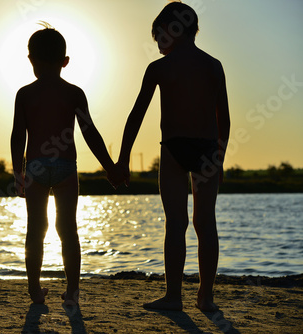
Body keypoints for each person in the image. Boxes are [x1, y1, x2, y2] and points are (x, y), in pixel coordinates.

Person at [115, 2, 231, 312]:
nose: (158, 45)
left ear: (173, 31)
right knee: (205, 223)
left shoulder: (160, 68)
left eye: (159, 37)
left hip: (174, 148)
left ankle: (174, 296)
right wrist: (219, 155)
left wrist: (123, 158)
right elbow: (225, 118)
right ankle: (205, 297)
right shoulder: (213, 65)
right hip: (207, 149)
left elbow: (136, 115)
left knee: (176, 223)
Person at [11, 25, 123, 305]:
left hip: (36, 166)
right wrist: (110, 166)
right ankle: (72, 292)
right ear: (65, 61)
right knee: (68, 229)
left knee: (36, 228)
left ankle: (35, 292)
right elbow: (90, 132)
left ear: (31, 60)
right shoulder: (74, 93)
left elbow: (18, 135)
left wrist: (18, 172)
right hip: (65, 167)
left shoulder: (24, 94)